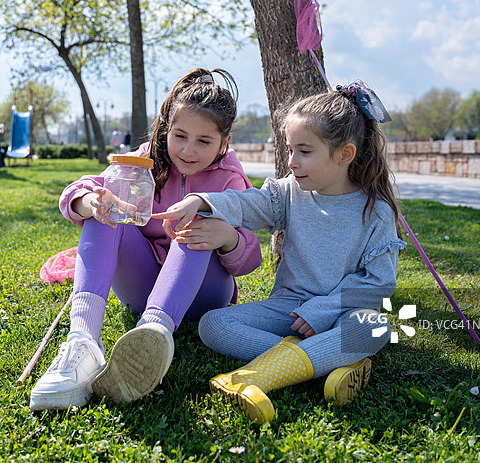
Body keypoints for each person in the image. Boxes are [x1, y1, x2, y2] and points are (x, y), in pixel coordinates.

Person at [154, 82, 406, 424]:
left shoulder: (374, 211)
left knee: (374, 327)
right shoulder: (288, 193)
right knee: (213, 324)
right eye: (289, 150)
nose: (292, 162)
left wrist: (322, 309)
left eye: (304, 151)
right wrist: (203, 200)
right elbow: (247, 204)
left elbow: (378, 284)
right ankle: (326, 364)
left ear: (344, 154)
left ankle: (256, 377)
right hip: (287, 310)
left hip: (343, 311)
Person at [29, 68, 262, 410]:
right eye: (180, 135)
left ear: (224, 143)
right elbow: (77, 191)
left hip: (203, 294)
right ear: (167, 129)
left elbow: (250, 258)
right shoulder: (141, 163)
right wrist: (90, 201)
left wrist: (227, 237)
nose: (188, 150)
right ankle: (82, 343)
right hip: (142, 287)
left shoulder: (230, 180)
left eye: (204, 141)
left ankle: (152, 336)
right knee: (104, 210)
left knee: (195, 222)